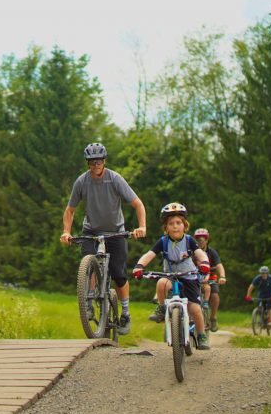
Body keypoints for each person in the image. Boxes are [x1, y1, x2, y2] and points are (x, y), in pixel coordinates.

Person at [60, 142, 147, 335]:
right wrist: (66, 231)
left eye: (98, 161)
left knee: (119, 273)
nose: (95, 165)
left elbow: (138, 204)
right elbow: (70, 210)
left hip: (115, 231)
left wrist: (141, 227)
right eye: (91, 162)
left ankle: (125, 313)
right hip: (91, 231)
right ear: (88, 163)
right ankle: (89, 301)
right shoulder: (82, 182)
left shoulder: (115, 179)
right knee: (88, 264)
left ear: (104, 161)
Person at [132, 202, 212, 350]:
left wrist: (205, 263)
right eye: (171, 223)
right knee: (161, 283)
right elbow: (149, 255)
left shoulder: (189, 240)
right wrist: (139, 266)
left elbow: (200, 253)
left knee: (194, 308)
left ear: (185, 226)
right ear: (166, 228)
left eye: (178, 223)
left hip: (189, 277)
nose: (175, 226)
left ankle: (201, 335)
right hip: (170, 276)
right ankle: (162, 309)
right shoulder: (163, 242)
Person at [193, 228, 226, 332]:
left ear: (206, 240)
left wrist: (222, 276)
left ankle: (213, 318)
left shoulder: (212, 252)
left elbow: (219, 265)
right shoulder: (191, 251)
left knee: (215, 295)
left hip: (210, 277)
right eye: (197, 240)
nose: (200, 242)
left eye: (202, 240)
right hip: (194, 277)